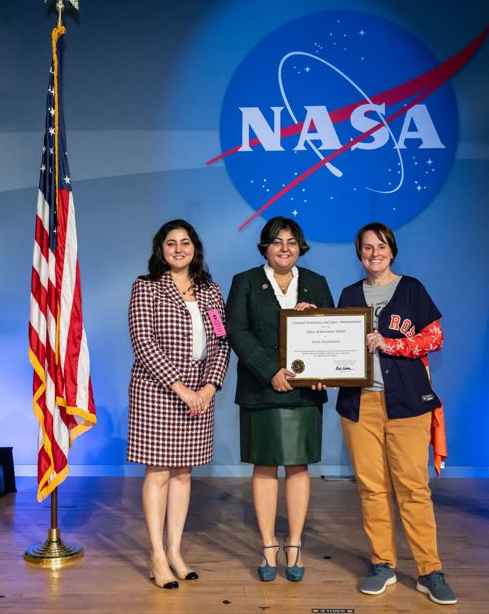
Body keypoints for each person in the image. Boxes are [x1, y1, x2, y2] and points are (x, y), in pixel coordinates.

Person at [336, 222, 457, 605]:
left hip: (407, 404)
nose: (375, 253)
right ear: (359, 253)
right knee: (371, 488)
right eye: (368, 248)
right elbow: (333, 345)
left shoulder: (412, 289)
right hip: (360, 405)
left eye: (382, 246)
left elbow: (434, 338)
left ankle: (429, 571)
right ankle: (382, 564)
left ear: (393, 250)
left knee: (413, 489)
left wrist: (391, 344)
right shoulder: (349, 294)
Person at [226, 216, 333, 582]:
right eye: (276, 241)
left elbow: (331, 333)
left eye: (291, 241)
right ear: (265, 247)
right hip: (260, 388)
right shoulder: (245, 282)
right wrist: (269, 369)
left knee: (299, 466)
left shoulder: (316, 283)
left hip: (305, 392)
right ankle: (269, 545)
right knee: (265, 466)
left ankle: (296, 544)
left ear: (300, 246)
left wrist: (318, 321)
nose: (284, 248)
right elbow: (237, 333)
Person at [127, 219, 230, 589]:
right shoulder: (146, 287)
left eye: (185, 242)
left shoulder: (212, 292)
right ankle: (156, 556)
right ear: (161, 249)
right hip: (158, 394)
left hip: (200, 396)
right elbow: (143, 343)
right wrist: (182, 389)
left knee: (183, 473)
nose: (178, 249)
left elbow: (222, 343)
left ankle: (175, 551)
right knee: (158, 473)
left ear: (195, 248)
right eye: (171, 243)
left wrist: (209, 387)